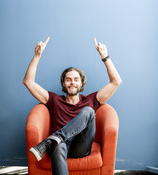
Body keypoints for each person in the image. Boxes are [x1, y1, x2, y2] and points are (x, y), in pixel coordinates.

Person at [23, 36, 122, 175]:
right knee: (57, 146)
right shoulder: (54, 100)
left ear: (81, 83)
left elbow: (116, 81)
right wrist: (37, 56)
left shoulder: (91, 100)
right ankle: (56, 140)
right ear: (63, 84)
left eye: (76, 80)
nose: (72, 82)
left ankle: (53, 139)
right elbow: (28, 82)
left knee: (88, 111)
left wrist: (105, 56)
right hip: (60, 147)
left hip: (81, 146)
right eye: (68, 80)